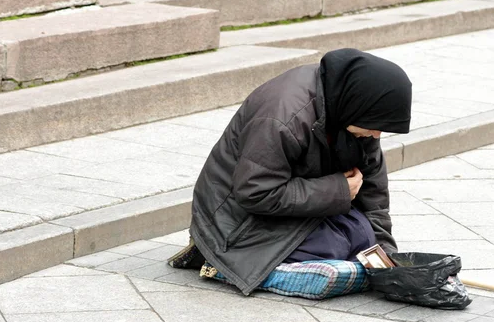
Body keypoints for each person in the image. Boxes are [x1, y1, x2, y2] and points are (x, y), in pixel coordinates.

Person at [170, 48, 412, 296]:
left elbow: (374, 197)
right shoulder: (282, 116)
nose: (377, 136)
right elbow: (255, 192)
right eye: (375, 127)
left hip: (301, 206)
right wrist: (339, 190)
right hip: (236, 224)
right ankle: (224, 265)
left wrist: (388, 261)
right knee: (333, 246)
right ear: (359, 106)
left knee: (361, 236)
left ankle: (319, 269)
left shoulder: (356, 112)